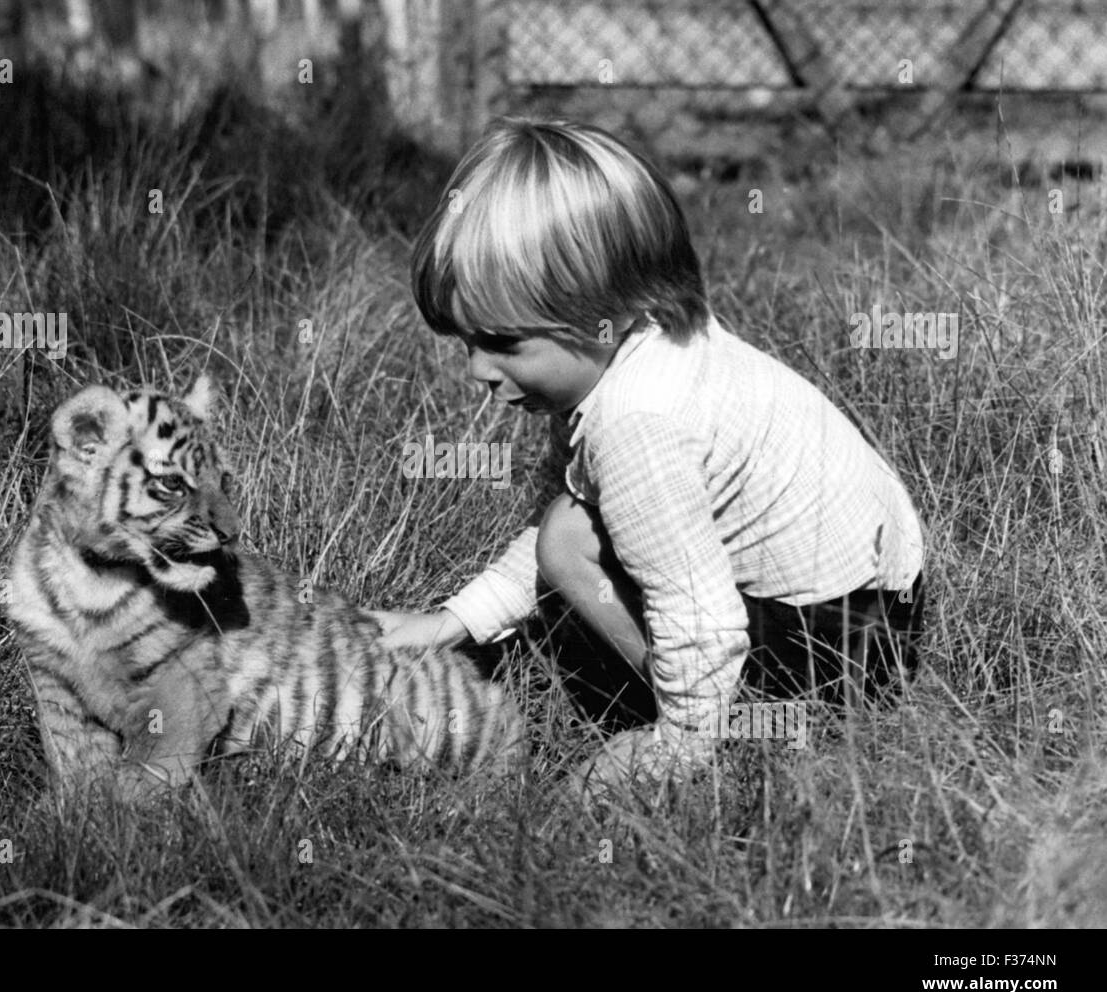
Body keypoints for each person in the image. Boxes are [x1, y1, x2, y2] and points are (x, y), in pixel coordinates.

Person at [370, 118, 925, 802]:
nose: (478, 370)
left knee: (566, 541)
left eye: (503, 342)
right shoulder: (648, 346)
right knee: (570, 530)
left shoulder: (638, 423)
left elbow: (694, 609)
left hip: (838, 645)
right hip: (881, 606)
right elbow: (590, 512)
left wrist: (676, 748)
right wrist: (454, 622)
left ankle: (726, 729)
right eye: (465, 342)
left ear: (598, 307)